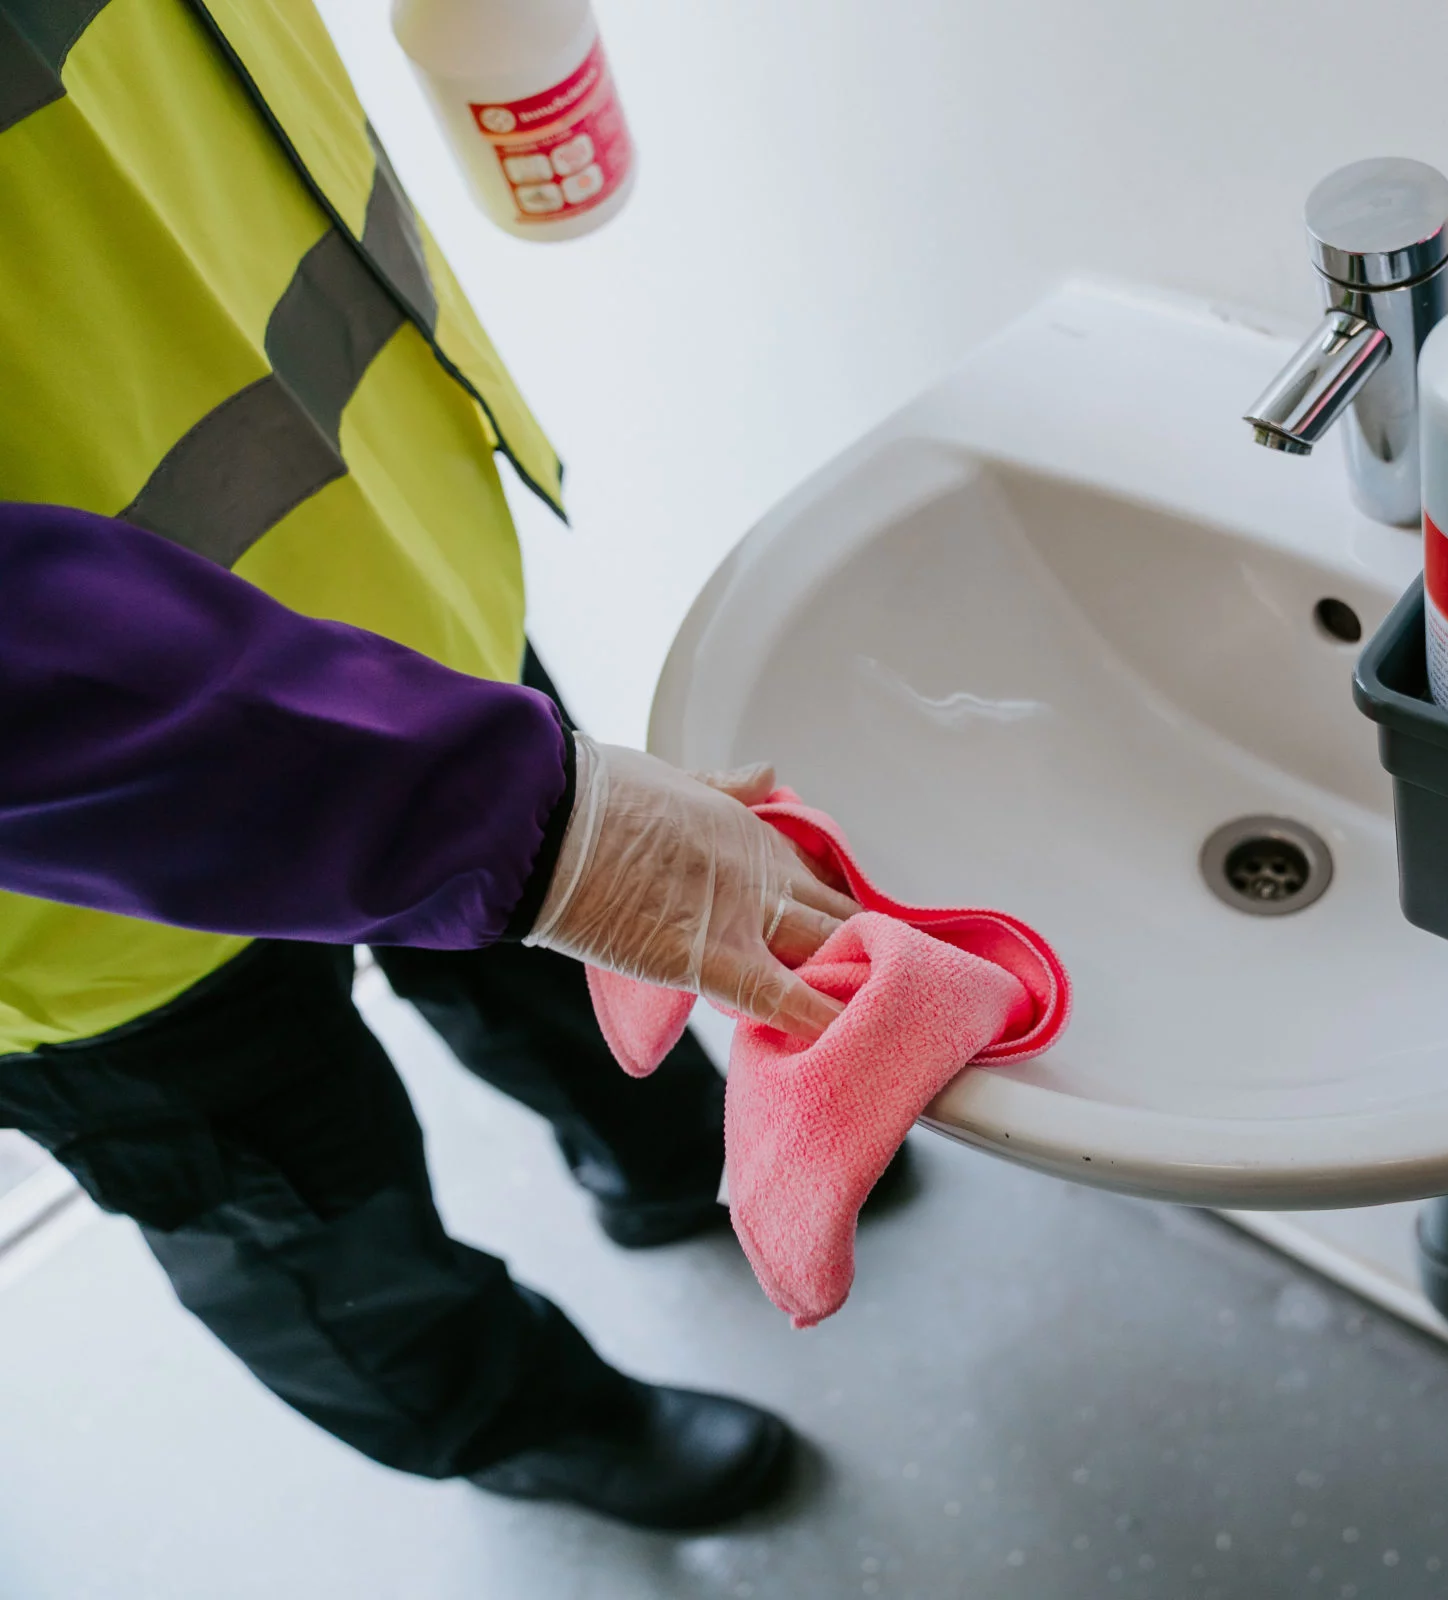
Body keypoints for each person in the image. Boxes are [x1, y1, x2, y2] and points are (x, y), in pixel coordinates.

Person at [0, 0, 859, 1528]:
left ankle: (664, 1163)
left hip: (384, 582)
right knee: (307, 1209)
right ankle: (514, 1419)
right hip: (73, 894)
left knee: (560, 981)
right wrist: (516, 825)